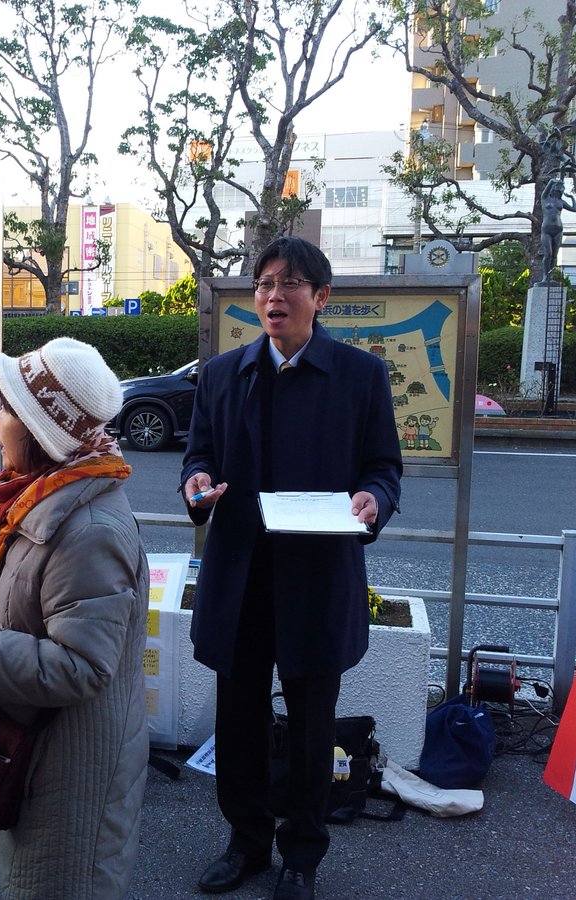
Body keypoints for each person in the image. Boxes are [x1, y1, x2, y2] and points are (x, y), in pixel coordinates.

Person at [182, 237, 402, 900]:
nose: (276, 295)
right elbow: (199, 459)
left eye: (292, 283)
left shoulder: (360, 377)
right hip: (241, 576)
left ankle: (301, 856)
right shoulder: (222, 375)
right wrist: (196, 485)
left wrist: (374, 501)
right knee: (239, 720)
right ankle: (245, 842)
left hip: (317, 576)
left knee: (311, 729)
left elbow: (383, 469)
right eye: (266, 284)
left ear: (321, 297)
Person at [0, 337, 150, 899]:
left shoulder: (88, 529)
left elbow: (79, 667)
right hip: (36, 751)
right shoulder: (39, 499)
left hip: (68, 770)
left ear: (40, 431)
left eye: (8, 412)